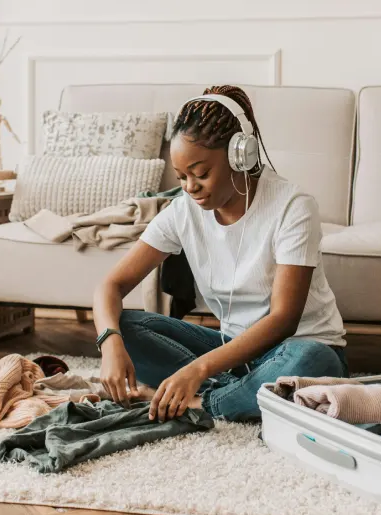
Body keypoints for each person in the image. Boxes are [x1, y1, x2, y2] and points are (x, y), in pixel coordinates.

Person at [92, 85, 347, 423]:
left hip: (295, 347)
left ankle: (200, 402)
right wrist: (109, 343)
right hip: (230, 351)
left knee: (313, 361)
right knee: (124, 325)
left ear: (240, 155)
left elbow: (284, 319)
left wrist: (198, 369)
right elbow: (110, 286)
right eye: (182, 176)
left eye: (201, 173)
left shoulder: (293, 207)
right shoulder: (182, 211)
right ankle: (244, 393)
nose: (189, 187)